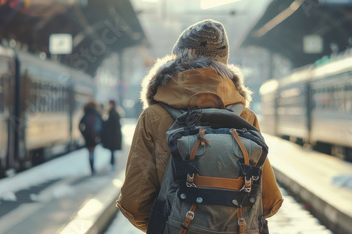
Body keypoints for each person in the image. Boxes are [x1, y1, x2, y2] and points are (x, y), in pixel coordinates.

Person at [116, 19, 283, 232]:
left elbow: (134, 203)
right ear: (224, 63)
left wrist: (175, 222)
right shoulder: (245, 117)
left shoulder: (153, 117)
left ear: (178, 56)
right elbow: (269, 201)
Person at [79, 100, 103, 174]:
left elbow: (80, 125)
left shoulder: (86, 114)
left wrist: (84, 133)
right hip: (94, 136)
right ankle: (93, 167)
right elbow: (102, 125)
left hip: (88, 136)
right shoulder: (97, 114)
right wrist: (99, 135)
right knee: (93, 151)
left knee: (90, 152)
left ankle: (91, 168)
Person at [102, 99, 123, 170]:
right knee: (112, 151)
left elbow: (110, 125)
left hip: (112, 137)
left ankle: (112, 164)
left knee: (112, 151)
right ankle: (112, 164)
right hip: (113, 136)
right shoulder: (115, 113)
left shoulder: (112, 113)